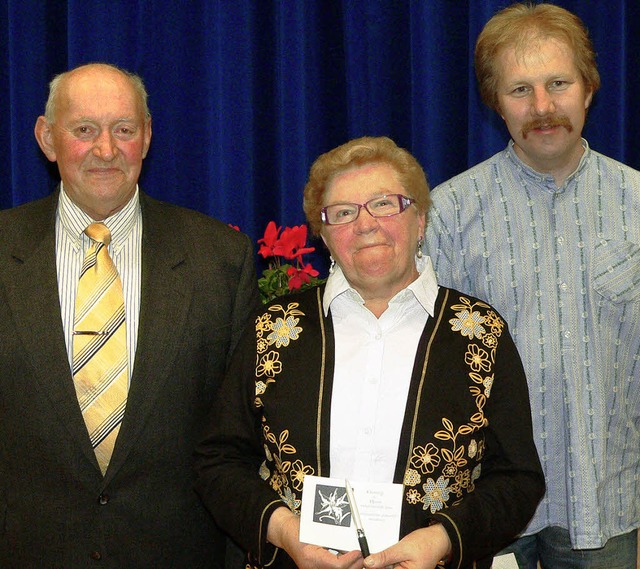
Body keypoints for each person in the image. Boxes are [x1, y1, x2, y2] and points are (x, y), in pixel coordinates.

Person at [194, 136, 544, 569]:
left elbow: (518, 479)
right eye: (342, 213)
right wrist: (286, 532)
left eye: (383, 203)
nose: (364, 224)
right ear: (323, 235)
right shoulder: (275, 330)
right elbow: (219, 459)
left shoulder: (479, 334)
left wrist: (440, 541)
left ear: (419, 219)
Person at [0, 63, 260, 568]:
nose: (106, 149)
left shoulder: (220, 260)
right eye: (84, 130)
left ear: (147, 137)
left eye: (124, 129)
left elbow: (241, 442)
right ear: (46, 139)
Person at [424, 4, 640, 568]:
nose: (542, 107)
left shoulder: (637, 206)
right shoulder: (449, 212)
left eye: (558, 84)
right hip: (483, 501)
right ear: (495, 102)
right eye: (520, 89)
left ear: (589, 89)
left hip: (607, 499)